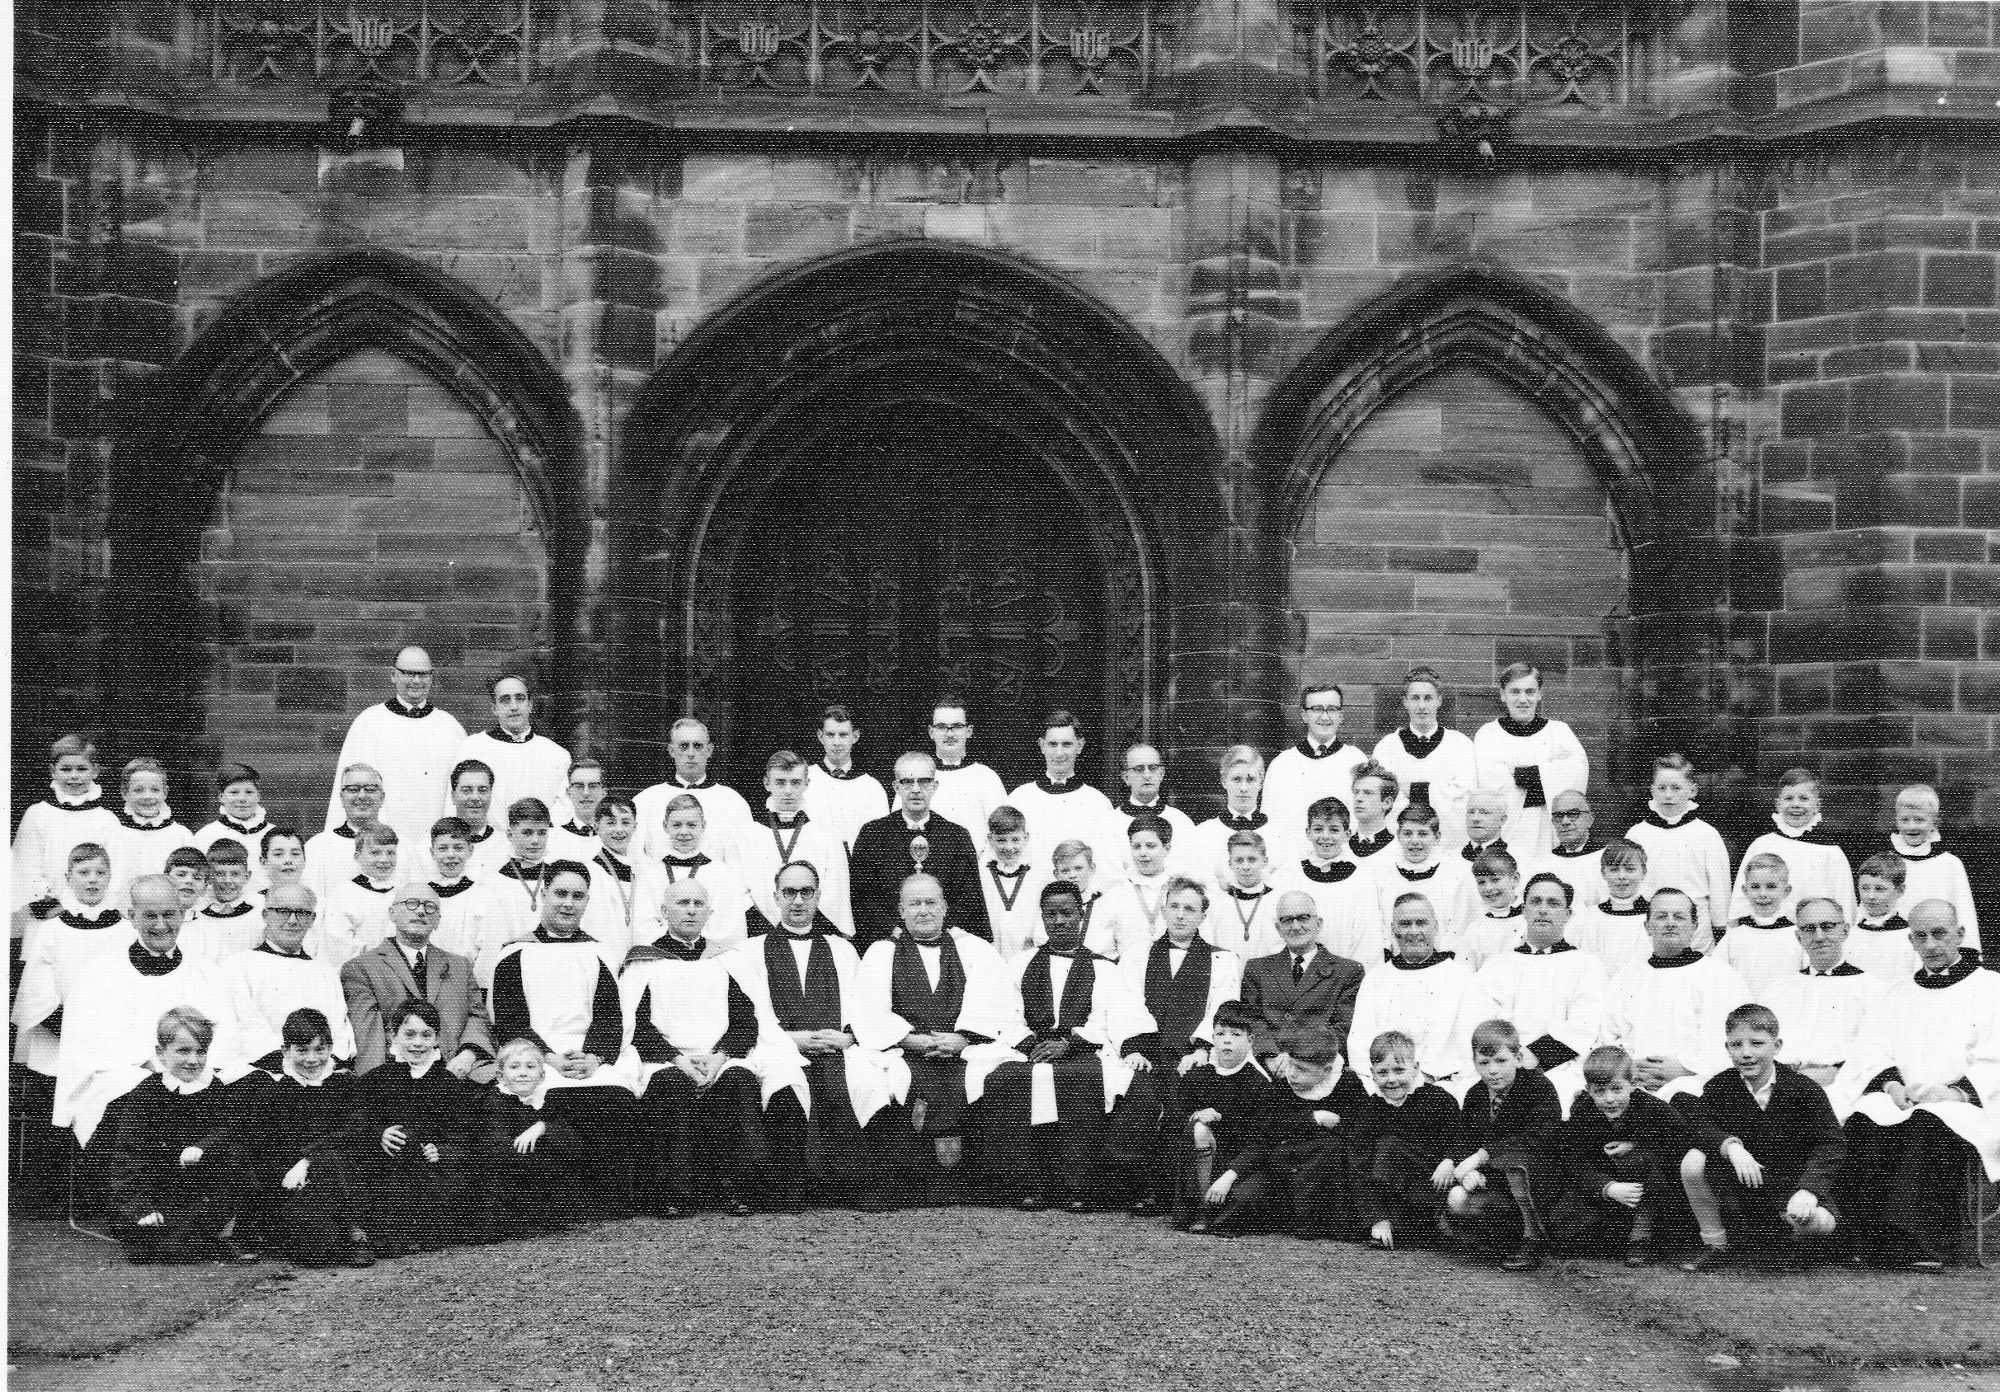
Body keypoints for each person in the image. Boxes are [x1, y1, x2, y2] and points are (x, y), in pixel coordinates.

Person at [623, 876, 804, 1217]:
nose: (690, 911)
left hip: (720, 1057)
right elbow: (636, 1025)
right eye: (682, 903)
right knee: (669, 1085)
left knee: (740, 1079)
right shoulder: (644, 962)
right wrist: (677, 1060)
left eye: (697, 905)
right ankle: (674, 1194)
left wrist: (721, 1056)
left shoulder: (725, 959)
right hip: (667, 1062)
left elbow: (746, 1020)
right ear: (664, 911)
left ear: (709, 912)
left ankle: (737, 1189)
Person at [728, 862, 906, 1210]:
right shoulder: (750, 950)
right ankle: (793, 1188)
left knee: (868, 1081)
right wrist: (793, 1040)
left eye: (806, 892)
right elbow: (751, 1012)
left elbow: (864, 1002)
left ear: (818, 896)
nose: (797, 901)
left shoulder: (842, 948)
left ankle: (859, 1185)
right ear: (775, 897)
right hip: (780, 1047)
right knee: (785, 1083)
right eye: (789, 893)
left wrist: (849, 1037)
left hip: (838, 1046)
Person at [1837, 899, 2000, 1269]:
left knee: (1929, 1123)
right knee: (1865, 1118)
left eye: (1939, 934)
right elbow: (1872, 1049)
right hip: (1904, 1097)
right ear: (1910, 941)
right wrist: (1893, 1087)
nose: (1930, 944)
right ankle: (1859, 1238)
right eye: (1921, 936)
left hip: (1968, 1104)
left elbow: (1997, 1057)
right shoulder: (1897, 992)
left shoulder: (1992, 988)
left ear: (1960, 934)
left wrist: (1958, 1092)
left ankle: (1919, 1244)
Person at [850, 873, 1028, 1199]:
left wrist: (963, 1039)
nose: (923, 911)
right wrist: (911, 1040)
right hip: (904, 1049)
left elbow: (992, 1005)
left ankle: (989, 1183)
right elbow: (870, 1012)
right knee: (877, 1079)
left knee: (1007, 1074)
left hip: (964, 1049)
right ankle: (903, 1182)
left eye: (930, 902)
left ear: (945, 907)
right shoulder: (881, 952)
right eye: (914, 904)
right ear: (901, 911)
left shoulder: (974, 949)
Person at [985, 880, 1158, 1212]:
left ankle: (1082, 1187)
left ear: (1081, 915)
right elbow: (1007, 1015)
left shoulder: (1104, 967)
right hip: (1030, 1048)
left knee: (1082, 1079)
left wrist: (1068, 1043)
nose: (1059, 921)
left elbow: (1108, 1018)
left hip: (1082, 1049)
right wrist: (1035, 1043)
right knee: (1008, 1080)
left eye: (1067, 913)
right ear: (1042, 917)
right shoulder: (1021, 963)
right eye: (1051, 914)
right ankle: (1029, 1184)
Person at [490, 862, 643, 1216]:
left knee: (614, 1095)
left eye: (577, 896)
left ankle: (609, 1200)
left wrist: (595, 1057)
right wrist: (548, 1058)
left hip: (588, 1058)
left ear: (587, 900)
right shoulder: (515, 955)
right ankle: (560, 1201)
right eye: (560, 893)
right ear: (543, 894)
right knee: (553, 1096)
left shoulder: (599, 952)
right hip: (538, 1058)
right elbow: (510, 1020)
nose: (568, 903)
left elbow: (612, 1016)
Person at [54, 874, 242, 1147]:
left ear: (183, 913)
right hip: (129, 1079)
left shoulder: (207, 973)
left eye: (169, 914)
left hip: (198, 1075)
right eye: (150, 916)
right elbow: (92, 1045)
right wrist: (159, 1066)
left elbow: (225, 1037)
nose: (161, 925)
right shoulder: (100, 974)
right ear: (132, 915)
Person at [1678, 1003, 1845, 1272]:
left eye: (1757, 1043)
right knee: (1693, 1160)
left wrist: (1809, 1190)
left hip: (1792, 1185)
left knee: (1816, 1219)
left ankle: (1800, 1245)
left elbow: (1831, 1145)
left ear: (1776, 1045)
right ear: (1727, 1048)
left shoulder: (1804, 1089)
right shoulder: (1720, 1086)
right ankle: (1715, 1244)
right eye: (1736, 1045)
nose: (1745, 1054)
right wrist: (1731, 1147)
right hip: (1745, 1186)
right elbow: (1699, 1124)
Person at [1120, 877, 1243, 1214]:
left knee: (1183, 1096)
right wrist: (1134, 1049)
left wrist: (1203, 1049)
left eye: (1190, 909)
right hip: (1148, 1051)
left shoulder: (1221, 959)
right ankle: (1136, 1187)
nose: (1180, 915)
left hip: (1193, 1053)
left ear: (1203, 916)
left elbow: (1222, 1005)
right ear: (1163, 909)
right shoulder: (1139, 954)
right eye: (1173, 906)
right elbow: (1127, 1003)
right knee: (1140, 1097)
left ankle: (1174, 1194)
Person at [102, 1007, 258, 1263]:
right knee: (153, 1234)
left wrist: (202, 1146)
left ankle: (211, 1237)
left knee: (236, 1158)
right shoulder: (147, 1095)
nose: (193, 1060)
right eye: (183, 1051)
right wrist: (141, 1207)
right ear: (161, 1054)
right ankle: (184, 1240)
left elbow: (226, 1128)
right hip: (157, 1190)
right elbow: (126, 1156)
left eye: (201, 1051)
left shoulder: (212, 1087)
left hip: (196, 1188)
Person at [231, 1008, 373, 1267]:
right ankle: (332, 1233)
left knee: (334, 1158)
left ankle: (356, 1233)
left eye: (320, 1050)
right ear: (286, 1051)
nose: (311, 1059)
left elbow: (355, 1131)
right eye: (302, 1050)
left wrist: (308, 1160)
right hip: (295, 1189)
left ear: (331, 1048)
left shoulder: (347, 1085)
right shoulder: (272, 1094)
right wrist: (296, 1170)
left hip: (342, 1181)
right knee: (314, 1251)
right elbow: (263, 1152)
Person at [1200, 1024, 1363, 1239]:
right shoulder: (1282, 1086)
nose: (1292, 1075)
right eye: (1292, 1066)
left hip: (1324, 1179)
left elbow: (1357, 1139)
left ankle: (1313, 1223)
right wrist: (1312, 1119)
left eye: (1302, 1069)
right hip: (1279, 1168)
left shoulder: (1348, 1086)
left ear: (1326, 1070)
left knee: (1330, 1147)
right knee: (1238, 1202)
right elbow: (1264, 1136)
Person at [346, 998, 479, 1257]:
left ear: (437, 1038)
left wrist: (442, 1150)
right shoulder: (375, 1080)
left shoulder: (448, 1084)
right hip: (387, 1167)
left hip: (432, 1173)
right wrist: (379, 1135)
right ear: (393, 1035)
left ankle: (418, 1231)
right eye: (409, 1034)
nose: (417, 1043)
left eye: (426, 1035)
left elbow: (464, 1135)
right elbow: (356, 1124)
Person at [1598, 889, 1754, 1102]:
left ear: (1694, 926)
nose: (1670, 923)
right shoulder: (1625, 978)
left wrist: (1687, 1068)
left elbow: (1738, 1041)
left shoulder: (1721, 977)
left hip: (1698, 1088)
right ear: (1647, 926)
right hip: (1632, 1089)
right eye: (1661, 916)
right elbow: (1606, 1038)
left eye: (1679, 917)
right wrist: (1625, 1069)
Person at [1473, 871, 1608, 1112]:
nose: (1543, 909)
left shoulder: (1586, 965)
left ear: (1567, 914)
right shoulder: (1497, 965)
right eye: (1536, 902)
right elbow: (1483, 1021)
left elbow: (1582, 1025)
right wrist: (1508, 1061)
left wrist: (1533, 1057)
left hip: (1558, 1068)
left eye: (1553, 903)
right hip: (1500, 1066)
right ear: (1524, 910)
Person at [1552, 1045, 1698, 1264]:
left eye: (1617, 1089)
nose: (1610, 1099)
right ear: (1589, 1089)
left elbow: (1682, 1138)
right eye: (1600, 1091)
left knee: (1640, 1158)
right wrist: (1607, 1188)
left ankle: (1641, 1236)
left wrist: (1637, 1143)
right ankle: (1618, 1231)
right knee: (1565, 1234)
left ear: (1633, 1085)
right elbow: (1575, 1163)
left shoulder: (1651, 1108)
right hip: (1609, 1188)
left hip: (1649, 1190)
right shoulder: (1583, 1112)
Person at [341, 880, 496, 1084]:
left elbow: (477, 1017)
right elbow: (369, 1038)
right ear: (392, 913)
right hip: (397, 1078)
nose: (421, 911)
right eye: (412, 903)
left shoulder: (460, 966)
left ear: (437, 920)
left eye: (429, 906)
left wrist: (466, 1056)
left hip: (456, 1072)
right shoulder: (362, 968)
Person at [1443, 1019, 1563, 1271]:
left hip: (1537, 1179)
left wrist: (1482, 1156)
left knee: (1516, 1164)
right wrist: (1471, 1171)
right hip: (1495, 1180)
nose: (1492, 1071)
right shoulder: (1475, 1094)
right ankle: (1501, 1240)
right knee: (1457, 1198)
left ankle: (1533, 1237)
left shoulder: (1538, 1087)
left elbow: (1538, 1136)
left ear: (1518, 1058)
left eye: (1501, 1061)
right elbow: (1465, 1137)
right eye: (1483, 1063)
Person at [324, 645, 468, 847]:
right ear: (393, 675)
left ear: (431, 677)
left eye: (423, 674)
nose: (416, 681)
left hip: (437, 847)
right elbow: (352, 791)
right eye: (409, 673)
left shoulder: (450, 727)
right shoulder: (369, 722)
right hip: (381, 848)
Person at [849, 750, 989, 951]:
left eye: (924, 781)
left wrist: (936, 931)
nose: (916, 789)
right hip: (890, 944)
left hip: (944, 944)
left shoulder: (956, 836)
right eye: (907, 782)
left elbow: (968, 898)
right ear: (896, 787)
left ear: (934, 786)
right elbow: (863, 897)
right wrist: (894, 931)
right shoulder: (873, 834)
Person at [1760, 897, 1887, 1116]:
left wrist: (1836, 1072)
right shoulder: (1778, 989)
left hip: (1842, 1086)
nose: (1819, 937)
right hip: (1779, 1086)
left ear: (1845, 931)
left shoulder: (1872, 989)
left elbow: (1876, 1052)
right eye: (1809, 929)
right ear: (1798, 936)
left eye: (1827, 927)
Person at [1347, 894, 1481, 1100]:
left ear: (1435, 927)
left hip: (1444, 1088)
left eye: (1421, 923)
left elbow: (1470, 1047)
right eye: (1405, 924)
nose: (1413, 931)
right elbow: (1360, 1046)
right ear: (1393, 929)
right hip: (1386, 1089)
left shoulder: (1460, 977)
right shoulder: (1376, 979)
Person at [220, 883, 356, 1070]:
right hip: (267, 1076)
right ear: (265, 915)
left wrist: (326, 1065)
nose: (293, 920)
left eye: (302, 912)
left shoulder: (325, 973)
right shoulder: (238, 966)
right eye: (283, 911)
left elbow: (339, 1030)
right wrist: (290, 1067)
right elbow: (246, 1026)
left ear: (312, 919)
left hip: (322, 1074)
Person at [1348, 1029, 1461, 1250]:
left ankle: (1436, 1222)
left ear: (1416, 1068)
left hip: (1434, 1182)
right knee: (1386, 1147)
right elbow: (1358, 1168)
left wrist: (1450, 1160)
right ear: (1372, 1073)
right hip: (1393, 1193)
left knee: (1389, 1147)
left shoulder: (1439, 1100)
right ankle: (1390, 1224)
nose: (1391, 1079)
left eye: (1399, 1070)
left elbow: (1461, 1136)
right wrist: (1377, 1217)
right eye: (1383, 1072)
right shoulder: (1370, 1111)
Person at [725, 750, 854, 937]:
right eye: (780, 782)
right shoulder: (746, 835)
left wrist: (804, 927)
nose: (787, 791)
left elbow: (835, 894)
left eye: (795, 782)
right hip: (759, 933)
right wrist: (765, 930)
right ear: (767, 784)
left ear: (806, 784)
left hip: (814, 932)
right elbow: (736, 890)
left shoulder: (825, 835)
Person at [1471, 663, 1589, 862]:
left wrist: (1525, 776)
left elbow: (1576, 774)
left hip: (1548, 828)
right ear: (1503, 695)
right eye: (1515, 692)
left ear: (1539, 694)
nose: (1523, 699)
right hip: (1509, 830)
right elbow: (1491, 787)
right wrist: (1547, 779)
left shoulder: (1558, 732)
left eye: (1530, 692)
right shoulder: (1488, 734)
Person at [1172, 1001, 1274, 1230]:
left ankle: (1214, 1206)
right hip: (1199, 1159)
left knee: (1244, 1200)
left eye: (1236, 1034)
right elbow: (1174, 1121)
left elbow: (1260, 1143)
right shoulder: (1196, 1077)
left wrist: (1229, 1177)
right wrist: (1196, 1115)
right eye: (1220, 1034)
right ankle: (1201, 1206)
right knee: (1198, 1128)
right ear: (1213, 1038)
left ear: (1250, 1040)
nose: (1227, 1040)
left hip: (1238, 1164)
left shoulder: (1259, 1084)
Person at [1238, 890, 1367, 1068]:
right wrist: (1270, 1057)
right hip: (1268, 1067)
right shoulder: (1257, 969)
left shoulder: (1348, 972)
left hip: (1319, 1067)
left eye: (1304, 918)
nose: (1296, 926)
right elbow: (1252, 1021)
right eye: (1287, 920)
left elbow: (1343, 1028)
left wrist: (1297, 1059)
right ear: (1278, 928)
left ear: (1318, 923)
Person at [479, 1039, 588, 1238]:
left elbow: (576, 1146)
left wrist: (543, 1127)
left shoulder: (548, 1101)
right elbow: (497, 1151)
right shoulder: (495, 1103)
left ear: (542, 1075)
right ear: (501, 1077)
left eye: (530, 1067)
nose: (523, 1073)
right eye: (514, 1067)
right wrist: (547, 1154)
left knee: (564, 1161)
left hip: (540, 1178)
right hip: (510, 1184)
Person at [1624, 754, 1732, 938]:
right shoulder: (1637, 834)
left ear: (1692, 790)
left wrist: (1721, 928)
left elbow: (1719, 888)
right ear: (1652, 790)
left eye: (1676, 788)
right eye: (1662, 788)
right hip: (1649, 927)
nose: (1668, 795)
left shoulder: (1706, 834)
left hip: (1696, 930)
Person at [631, 793, 754, 952]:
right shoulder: (649, 874)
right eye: (676, 825)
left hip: (707, 961)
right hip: (662, 961)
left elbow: (728, 927)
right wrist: (676, 948)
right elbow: (643, 926)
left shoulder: (722, 874)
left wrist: (695, 950)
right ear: (665, 826)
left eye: (691, 825)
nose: (684, 832)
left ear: (703, 826)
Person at [10, 733, 119, 911]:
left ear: (95, 771)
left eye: (82, 769)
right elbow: (25, 864)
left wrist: (91, 904)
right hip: (47, 911)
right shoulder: (37, 814)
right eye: (66, 769)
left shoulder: (107, 820)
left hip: (92, 909)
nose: (74, 776)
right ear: (53, 771)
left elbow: (116, 869)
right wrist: (47, 902)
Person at [1730, 768, 1855, 923]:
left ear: (1817, 805)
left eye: (1803, 798)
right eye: (1788, 798)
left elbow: (1845, 902)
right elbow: (1741, 897)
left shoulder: (1830, 852)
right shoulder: (1761, 845)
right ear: (1777, 804)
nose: (1795, 804)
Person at [1371, 669, 1479, 848]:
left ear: (1439, 701)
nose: (1421, 706)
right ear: (1405, 702)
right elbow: (1382, 799)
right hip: (1399, 844)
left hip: (1448, 844)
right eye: (1415, 698)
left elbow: (1465, 797)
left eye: (1428, 698)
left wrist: (1414, 791)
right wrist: (1439, 791)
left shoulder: (1460, 745)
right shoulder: (1387, 747)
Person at [451, 675, 574, 830]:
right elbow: (456, 803)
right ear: (494, 708)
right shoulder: (473, 748)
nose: (513, 706)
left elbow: (565, 810)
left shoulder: (557, 755)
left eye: (520, 698)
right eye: (505, 700)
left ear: (530, 705)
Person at [1006, 710, 1118, 875]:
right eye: (1052, 744)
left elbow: (1103, 863)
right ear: (1041, 745)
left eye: (1067, 744)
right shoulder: (1019, 799)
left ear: (1079, 746)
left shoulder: (1098, 803)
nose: (1059, 753)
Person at [1364, 802, 1478, 957]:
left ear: (1437, 837)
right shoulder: (1381, 872)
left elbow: (1461, 923)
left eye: (1423, 834)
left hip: (1443, 959)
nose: (1414, 840)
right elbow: (1378, 922)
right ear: (1398, 836)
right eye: (1408, 833)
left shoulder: (1456, 873)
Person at [634, 717, 755, 861]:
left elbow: (745, 859)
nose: (691, 753)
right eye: (683, 746)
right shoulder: (646, 800)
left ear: (709, 750)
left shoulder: (733, 802)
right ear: (671, 751)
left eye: (697, 746)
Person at [1263, 683, 1369, 845]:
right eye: (1317, 709)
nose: (1325, 717)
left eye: (1332, 709)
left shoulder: (1355, 760)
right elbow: (1271, 823)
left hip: (1344, 861)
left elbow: (1365, 819)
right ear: (1304, 714)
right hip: (1293, 861)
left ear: (1341, 715)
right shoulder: (1283, 764)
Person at [1277, 795, 1379, 964]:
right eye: (1318, 829)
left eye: (1334, 830)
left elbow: (1367, 939)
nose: (1325, 836)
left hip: (1346, 975)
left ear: (1347, 834)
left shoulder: (1361, 877)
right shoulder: (1293, 875)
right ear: (1307, 833)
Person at [1883, 784, 1980, 950]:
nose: (1911, 826)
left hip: (1936, 948)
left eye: (1919, 820)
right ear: (1896, 821)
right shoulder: (1885, 862)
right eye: (1905, 819)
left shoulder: (1948, 864)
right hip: (1894, 947)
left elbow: (1964, 912)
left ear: (1935, 823)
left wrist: (1968, 952)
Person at [1097, 814, 1203, 965]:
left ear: (1166, 849)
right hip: (1128, 975)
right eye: (1136, 846)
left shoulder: (1183, 891)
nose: (1143, 853)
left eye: (1150, 846)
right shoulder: (1116, 892)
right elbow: (1104, 949)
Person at [1186, 746, 1287, 890]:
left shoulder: (1279, 834)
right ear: (1224, 781)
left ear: (1261, 783)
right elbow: (1198, 885)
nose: (1244, 788)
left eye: (1251, 779)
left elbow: (1286, 885)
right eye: (1237, 779)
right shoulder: (1203, 834)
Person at [802, 703, 890, 854]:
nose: (836, 742)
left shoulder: (871, 788)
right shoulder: (805, 780)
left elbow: (879, 842)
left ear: (855, 736)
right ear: (820, 736)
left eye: (843, 735)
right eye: (830, 735)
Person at [1099, 742, 1198, 877]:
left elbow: (1186, 869)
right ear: (1126, 777)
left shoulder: (1181, 821)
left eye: (1153, 768)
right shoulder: (1109, 823)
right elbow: (1110, 873)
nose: (1147, 775)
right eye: (1139, 768)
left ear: (1162, 773)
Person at [107, 757, 197, 896]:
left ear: (165, 792)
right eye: (138, 790)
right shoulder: (115, 833)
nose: (147, 796)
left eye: (155, 790)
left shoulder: (181, 835)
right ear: (125, 793)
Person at [317, 823, 401, 968]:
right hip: (359, 975)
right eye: (375, 853)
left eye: (390, 852)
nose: (384, 860)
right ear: (357, 856)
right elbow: (338, 944)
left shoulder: (402, 894)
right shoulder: (345, 894)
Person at [305, 763, 388, 910]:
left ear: (382, 798)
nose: (362, 796)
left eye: (370, 789)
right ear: (342, 798)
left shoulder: (402, 847)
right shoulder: (318, 847)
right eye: (353, 789)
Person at [1722, 851, 1806, 993]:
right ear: (1745, 890)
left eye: (1771, 887)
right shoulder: (1734, 936)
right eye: (1755, 887)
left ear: (1786, 891)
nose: (1762, 894)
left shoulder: (1797, 936)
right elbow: (1720, 978)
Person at [926, 696, 1009, 839]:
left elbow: (1003, 834)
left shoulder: (987, 778)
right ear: (931, 732)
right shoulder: (917, 777)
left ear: (969, 731)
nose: (949, 734)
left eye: (957, 726)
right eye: (941, 727)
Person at [979, 805, 1051, 961]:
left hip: (1029, 954)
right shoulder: (981, 873)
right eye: (1001, 840)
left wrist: (1038, 941)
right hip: (991, 954)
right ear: (990, 839)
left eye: (1015, 839)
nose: (1009, 847)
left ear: (1026, 838)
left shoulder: (1039, 873)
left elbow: (1046, 912)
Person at [192, 762, 277, 888]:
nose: (242, 799)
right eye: (234, 792)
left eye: (249, 792)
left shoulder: (273, 834)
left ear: (258, 796)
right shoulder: (206, 835)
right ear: (221, 797)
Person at [1206, 830, 1285, 961]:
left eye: (1252, 860)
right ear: (1230, 864)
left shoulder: (1277, 901)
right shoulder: (1218, 902)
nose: (1245, 866)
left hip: (1266, 978)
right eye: (1239, 860)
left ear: (1265, 861)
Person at [1523, 791, 1607, 910]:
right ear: (1553, 822)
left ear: (1590, 819)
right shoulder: (1542, 864)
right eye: (1558, 816)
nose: (1565, 822)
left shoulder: (1607, 860)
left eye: (1573, 814)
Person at [182, 839, 262, 963]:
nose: (227, 881)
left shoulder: (258, 912)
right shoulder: (196, 912)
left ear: (247, 877)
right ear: (209, 877)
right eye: (220, 874)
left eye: (235, 874)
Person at [1849, 853, 1921, 979]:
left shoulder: (1909, 937)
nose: (1871, 896)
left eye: (1879, 889)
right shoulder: (1851, 936)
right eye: (1865, 888)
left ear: (1899, 891)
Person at [442, 759, 510, 879]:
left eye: (482, 790)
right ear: (453, 796)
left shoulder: (507, 846)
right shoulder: (434, 847)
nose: (475, 797)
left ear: (490, 794)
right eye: (467, 790)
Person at [1463, 847, 1525, 970]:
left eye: (1495, 880)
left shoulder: (1527, 921)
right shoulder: (1476, 928)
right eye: (1481, 882)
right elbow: (1464, 971)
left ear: (1515, 879)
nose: (1488, 888)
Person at [546, 758, 608, 864]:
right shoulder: (553, 838)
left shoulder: (615, 837)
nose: (586, 793)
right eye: (579, 786)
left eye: (593, 786)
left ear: (604, 791)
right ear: (568, 792)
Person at [1345, 763, 1398, 863]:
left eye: (1368, 793)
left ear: (1386, 803)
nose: (1358, 798)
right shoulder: (1342, 846)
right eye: (1356, 792)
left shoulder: (1397, 849)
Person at [1459, 789, 1512, 867]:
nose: (1475, 818)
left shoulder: (1516, 857)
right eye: (1471, 812)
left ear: (1502, 820)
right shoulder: (1449, 858)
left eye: (1484, 812)